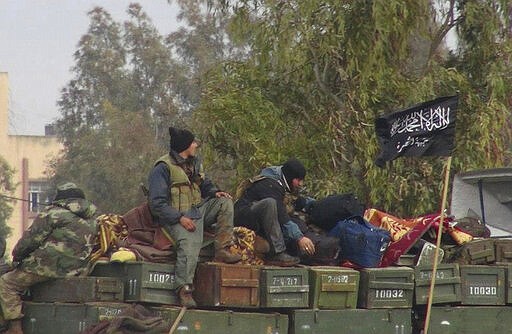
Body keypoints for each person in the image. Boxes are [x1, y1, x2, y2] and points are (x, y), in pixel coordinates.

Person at [147, 127, 241, 308]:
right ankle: (184, 289)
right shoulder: (162, 168)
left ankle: (222, 249)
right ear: (184, 146)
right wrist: (180, 218)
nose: (196, 145)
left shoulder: (194, 163)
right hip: (174, 217)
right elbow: (157, 204)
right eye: (193, 143)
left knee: (225, 203)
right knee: (189, 242)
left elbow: (204, 184)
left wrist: (216, 193)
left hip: (198, 210)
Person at [0, 182, 98, 334]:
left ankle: (14, 328)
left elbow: (29, 241)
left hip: (45, 268)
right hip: (78, 270)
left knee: (6, 283)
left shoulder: (52, 213)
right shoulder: (93, 220)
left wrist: (17, 257)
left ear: (60, 198)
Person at [234, 158, 315, 266]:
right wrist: (299, 238)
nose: (300, 184)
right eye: (298, 180)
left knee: (294, 220)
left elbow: (296, 201)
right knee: (270, 204)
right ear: (290, 177)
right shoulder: (270, 184)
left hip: (258, 219)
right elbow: (282, 217)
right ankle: (278, 252)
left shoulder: (282, 184)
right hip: (243, 216)